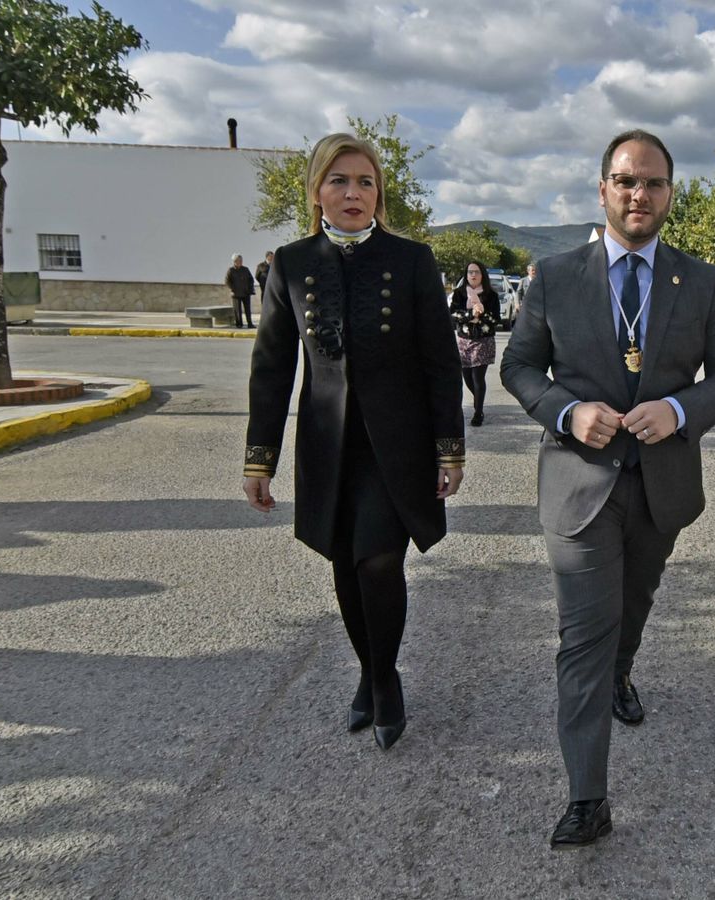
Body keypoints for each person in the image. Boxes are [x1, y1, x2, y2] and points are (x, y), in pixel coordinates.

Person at [501, 129, 715, 849]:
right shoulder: (554, 275)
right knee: (582, 635)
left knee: (632, 607)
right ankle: (587, 797)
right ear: (603, 189)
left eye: (653, 183)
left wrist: (677, 410)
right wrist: (569, 412)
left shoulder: (700, 282)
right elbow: (518, 368)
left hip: (662, 485)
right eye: (625, 181)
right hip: (578, 487)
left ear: (671, 193)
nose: (639, 194)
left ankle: (622, 674)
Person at [242, 132, 464, 751]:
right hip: (327, 446)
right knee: (344, 562)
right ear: (316, 192)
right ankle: (368, 672)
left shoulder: (412, 259)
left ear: (379, 194)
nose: (353, 193)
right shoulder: (290, 264)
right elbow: (272, 368)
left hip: (398, 446)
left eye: (366, 182)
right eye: (339, 181)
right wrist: (260, 459)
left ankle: (385, 678)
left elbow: (441, 364)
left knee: (380, 560)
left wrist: (450, 448)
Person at [450, 260, 501, 427]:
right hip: (464, 341)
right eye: (470, 272)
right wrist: (472, 313)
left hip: (483, 341)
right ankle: (478, 400)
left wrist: (482, 314)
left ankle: (478, 413)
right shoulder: (459, 293)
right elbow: (453, 315)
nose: (473, 275)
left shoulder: (491, 295)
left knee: (477, 377)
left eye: (476, 272)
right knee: (467, 377)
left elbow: (495, 319)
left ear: (482, 275)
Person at [225, 253, 256, 328]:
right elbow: (227, 281)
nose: (240, 262)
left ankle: (250, 323)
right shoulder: (231, 270)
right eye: (238, 261)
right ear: (234, 261)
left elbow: (251, 279)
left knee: (248, 309)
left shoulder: (245, 269)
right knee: (237, 310)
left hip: (246, 292)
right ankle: (239, 324)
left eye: (241, 260)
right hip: (236, 293)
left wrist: (250, 287)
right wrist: (232, 289)